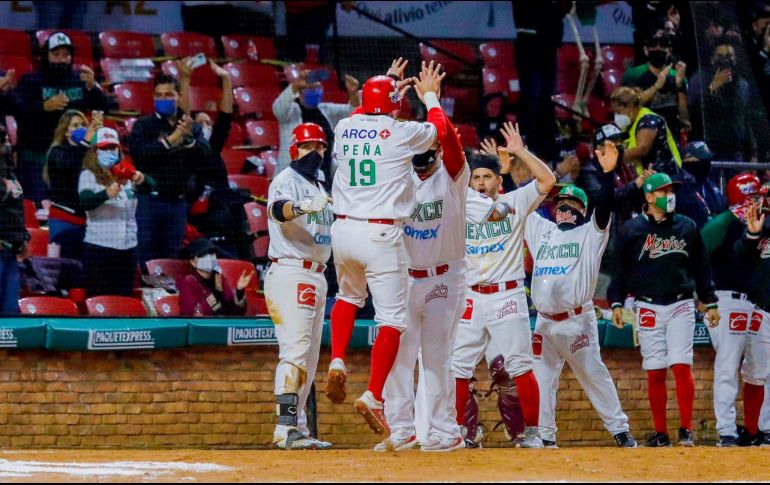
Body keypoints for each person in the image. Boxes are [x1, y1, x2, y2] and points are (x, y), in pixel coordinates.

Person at [323, 60, 446, 437]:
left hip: (343, 230)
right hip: (381, 233)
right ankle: (374, 394)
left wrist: (388, 85)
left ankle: (339, 359)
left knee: (347, 296)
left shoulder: (344, 126)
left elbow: (367, 110)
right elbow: (439, 130)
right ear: (393, 104)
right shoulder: (401, 130)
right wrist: (429, 95)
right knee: (391, 320)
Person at [379, 102, 505, 452]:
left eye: (427, 146)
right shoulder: (396, 178)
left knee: (437, 358)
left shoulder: (453, 176)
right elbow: (381, 140)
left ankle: (445, 431)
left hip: (443, 279)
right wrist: (389, 106)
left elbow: (448, 140)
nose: (421, 152)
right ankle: (402, 431)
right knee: (399, 359)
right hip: (404, 278)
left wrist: (433, 99)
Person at [451, 122, 557, 449]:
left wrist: (520, 151)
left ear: (500, 179)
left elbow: (548, 180)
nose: (481, 183)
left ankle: (532, 432)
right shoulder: (462, 204)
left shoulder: (516, 200)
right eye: (477, 177)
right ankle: (461, 432)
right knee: (457, 368)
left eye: (487, 177)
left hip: (506, 295)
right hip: (470, 295)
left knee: (521, 366)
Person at [525, 141, 637, 449]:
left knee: (594, 375)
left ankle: (620, 430)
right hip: (544, 323)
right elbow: (519, 204)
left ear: (583, 211)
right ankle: (546, 436)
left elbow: (605, 206)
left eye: (572, 205)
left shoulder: (591, 233)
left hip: (576, 322)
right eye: (561, 204)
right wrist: (508, 173)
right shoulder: (541, 230)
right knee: (542, 379)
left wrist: (607, 175)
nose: (564, 208)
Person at [608, 172, 719, 447]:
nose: (670, 196)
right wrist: (617, 302)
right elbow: (619, 272)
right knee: (655, 369)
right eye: (663, 191)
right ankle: (661, 433)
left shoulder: (687, 226)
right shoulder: (631, 229)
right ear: (648, 197)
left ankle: (686, 430)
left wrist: (710, 300)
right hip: (645, 303)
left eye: (671, 191)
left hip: (681, 302)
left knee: (681, 365)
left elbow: (702, 268)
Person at [264, 122, 333, 450]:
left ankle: (298, 428)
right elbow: (278, 211)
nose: (314, 152)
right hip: (291, 271)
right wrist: (301, 207)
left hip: (317, 273)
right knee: (294, 353)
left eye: (319, 146)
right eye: (308, 147)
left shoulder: (321, 184)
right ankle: (285, 426)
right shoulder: (285, 180)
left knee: (308, 359)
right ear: (294, 149)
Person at [701, 173, 764, 446]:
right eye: (749, 198)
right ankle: (726, 430)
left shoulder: (764, 222)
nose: (754, 202)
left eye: (756, 197)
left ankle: (758, 429)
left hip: (757, 303)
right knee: (728, 365)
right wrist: (705, 297)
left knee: (760, 369)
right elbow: (696, 257)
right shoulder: (721, 224)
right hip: (725, 300)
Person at [12, 32, 109, 202]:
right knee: (38, 208)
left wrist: (93, 88)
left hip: (74, 158)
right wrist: (43, 107)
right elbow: (16, 112)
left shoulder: (80, 80)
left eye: (66, 55)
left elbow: (103, 110)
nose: (62, 59)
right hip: (38, 158)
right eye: (56, 54)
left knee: (71, 206)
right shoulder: (31, 80)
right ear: (45, 56)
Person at [128, 74, 210, 267]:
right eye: (159, 95)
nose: (163, 99)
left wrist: (189, 141)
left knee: (171, 260)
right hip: (149, 201)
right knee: (146, 259)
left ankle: (168, 298)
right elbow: (141, 157)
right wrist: (170, 141)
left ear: (179, 96)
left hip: (178, 203)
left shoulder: (191, 127)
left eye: (168, 95)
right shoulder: (143, 126)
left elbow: (207, 158)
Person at [78, 128, 153, 297]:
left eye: (113, 148)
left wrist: (141, 178)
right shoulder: (88, 175)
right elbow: (85, 202)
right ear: (95, 151)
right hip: (100, 246)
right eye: (104, 148)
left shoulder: (126, 173)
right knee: (100, 299)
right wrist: (105, 194)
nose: (109, 152)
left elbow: (151, 186)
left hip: (128, 246)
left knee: (123, 299)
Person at [273, 67, 360, 182]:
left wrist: (352, 93)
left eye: (318, 87)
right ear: (300, 92)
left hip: (323, 178)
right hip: (292, 179)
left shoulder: (325, 110)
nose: (315, 90)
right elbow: (277, 109)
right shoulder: (291, 112)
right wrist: (295, 85)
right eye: (311, 88)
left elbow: (352, 112)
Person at [731, 199, 770, 447]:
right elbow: (739, 259)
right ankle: (753, 430)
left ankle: (765, 430)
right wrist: (752, 234)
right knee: (756, 374)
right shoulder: (760, 224)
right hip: (764, 311)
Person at [687, 36, 758, 162]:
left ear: (735, 59)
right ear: (713, 59)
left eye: (730, 56)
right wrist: (712, 89)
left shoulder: (743, 84)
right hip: (708, 152)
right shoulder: (700, 79)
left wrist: (753, 153)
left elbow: (746, 120)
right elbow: (694, 113)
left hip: (736, 153)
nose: (726, 60)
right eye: (721, 56)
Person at [44, 109, 102, 262]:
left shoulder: (89, 152)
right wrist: (86, 143)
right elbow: (71, 166)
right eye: (75, 126)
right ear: (66, 132)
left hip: (88, 222)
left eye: (83, 124)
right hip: (64, 221)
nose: (81, 128)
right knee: (66, 270)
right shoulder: (57, 152)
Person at [622, 30, 690, 140]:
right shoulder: (633, 75)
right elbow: (627, 111)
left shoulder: (677, 76)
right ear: (646, 50)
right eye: (653, 45)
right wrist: (656, 86)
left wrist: (680, 87)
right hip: (641, 136)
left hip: (671, 136)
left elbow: (684, 118)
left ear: (669, 51)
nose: (658, 49)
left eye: (663, 45)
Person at [609, 86, 682, 177]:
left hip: (667, 177)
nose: (616, 117)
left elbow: (642, 149)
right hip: (646, 179)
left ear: (630, 107)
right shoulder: (628, 126)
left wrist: (615, 156)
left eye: (618, 112)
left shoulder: (649, 120)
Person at [177, 238, 252, 317]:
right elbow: (193, 315)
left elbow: (235, 312)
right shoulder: (188, 282)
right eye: (203, 254)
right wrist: (217, 294)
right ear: (193, 262)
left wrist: (239, 292)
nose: (209, 257)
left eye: (212, 253)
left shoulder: (219, 278)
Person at [0, 125, 24, 314]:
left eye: (6, 140)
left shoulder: (10, 174)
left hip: (10, 249)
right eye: (2, 142)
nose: (6, 146)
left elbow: (15, 207)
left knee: (10, 310)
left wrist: (23, 235)